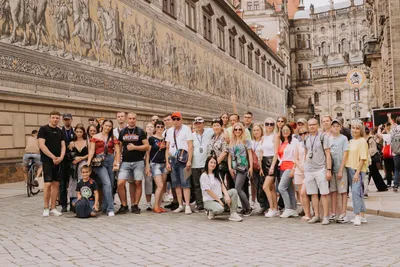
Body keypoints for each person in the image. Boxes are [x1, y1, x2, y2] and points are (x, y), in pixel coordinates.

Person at [116, 112, 148, 214]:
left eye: (134, 118)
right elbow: (119, 148)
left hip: (138, 161)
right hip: (125, 162)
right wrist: (117, 161)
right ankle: (124, 205)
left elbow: (147, 146)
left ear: (136, 119)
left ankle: (135, 205)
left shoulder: (140, 131)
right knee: (120, 183)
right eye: (130, 118)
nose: (132, 120)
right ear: (127, 119)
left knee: (137, 183)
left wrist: (135, 147)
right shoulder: (122, 132)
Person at [87, 120, 120, 217]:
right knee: (107, 183)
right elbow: (92, 150)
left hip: (110, 159)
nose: (108, 127)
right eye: (106, 125)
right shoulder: (95, 137)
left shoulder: (113, 138)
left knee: (111, 184)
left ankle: (105, 206)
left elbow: (117, 151)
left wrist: (116, 163)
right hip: (99, 161)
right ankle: (110, 208)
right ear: (102, 125)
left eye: (110, 126)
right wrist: (88, 163)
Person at [303, 118, 332, 225]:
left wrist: (328, 170)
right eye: (310, 125)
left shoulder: (323, 137)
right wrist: (304, 169)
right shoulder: (306, 138)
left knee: (324, 193)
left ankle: (326, 216)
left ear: (317, 125)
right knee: (313, 194)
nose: (312, 126)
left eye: (314, 124)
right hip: (309, 170)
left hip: (321, 169)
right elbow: (306, 154)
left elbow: (328, 154)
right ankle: (316, 215)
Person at [38, 111, 66, 217]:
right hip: (47, 160)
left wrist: (61, 157)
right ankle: (46, 207)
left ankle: (53, 207)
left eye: (57, 118)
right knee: (48, 184)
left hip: (58, 160)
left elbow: (63, 146)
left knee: (56, 184)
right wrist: (52, 157)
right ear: (50, 118)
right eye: (53, 117)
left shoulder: (60, 131)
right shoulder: (43, 129)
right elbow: (42, 145)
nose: (55, 119)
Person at [165, 112, 194, 214]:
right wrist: (167, 162)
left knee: (185, 183)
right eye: (174, 119)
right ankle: (180, 204)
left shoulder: (186, 129)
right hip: (173, 159)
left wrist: (189, 160)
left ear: (181, 119)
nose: (176, 121)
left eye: (178, 119)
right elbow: (167, 147)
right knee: (176, 183)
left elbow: (190, 146)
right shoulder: (169, 131)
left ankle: (187, 205)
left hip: (183, 159)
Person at [200, 156, 243, 222]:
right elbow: (209, 191)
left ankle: (233, 213)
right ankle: (210, 211)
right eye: (211, 162)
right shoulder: (204, 176)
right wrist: (219, 201)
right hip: (209, 200)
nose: (213, 164)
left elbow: (222, 185)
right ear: (207, 163)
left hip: (220, 197)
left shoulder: (217, 174)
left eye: (214, 163)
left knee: (233, 191)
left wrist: (226, 196)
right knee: (220, 209)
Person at [228, 122, 253, 216]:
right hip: (234, 167)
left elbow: (249, 155)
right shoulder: (232, 141)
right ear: (233, 131)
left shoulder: (246, 141)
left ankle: (248, 207)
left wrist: (250, 167)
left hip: (243, 166)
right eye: (235, 129)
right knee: (240, 188)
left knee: (237, 188)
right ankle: (244, 208)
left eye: (239, 129)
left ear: (242, 130)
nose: (237, 131)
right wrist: (230, 167)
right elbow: (230, 156)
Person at [346, 120, 368, 226]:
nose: (355, 130)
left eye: (357, 128)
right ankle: (362, 215)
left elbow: (363, 158)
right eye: (353, 128)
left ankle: (357, 215)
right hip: (350, 168)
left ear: (361, 130)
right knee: (357, 192)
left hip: (357, 169)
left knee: (355, 193)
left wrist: (357, 172)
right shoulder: (351, 141)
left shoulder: (362, 141)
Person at [275, 124, 299, 218]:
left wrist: (294, 168)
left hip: (290, 166)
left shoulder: (294, 141)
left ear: (290, 131)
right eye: (283, 130)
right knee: (289, 189)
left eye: (287, 130)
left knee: (281, 188)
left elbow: (296, 156)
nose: (285, 132)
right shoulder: (281, 141)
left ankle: (288, 208)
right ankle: (293, 209)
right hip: (282, 166)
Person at [328, 119, 350, 223]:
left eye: (337, 126)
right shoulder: (328, 139)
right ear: (331, 128)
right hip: (331, 169)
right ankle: (333, 212)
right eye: (334, 126)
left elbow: (345, 154)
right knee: (333, 192)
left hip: (341, 169)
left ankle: (343, 213)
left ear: (340, 127)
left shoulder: (343, 138)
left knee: (343, 192)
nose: (335, 128)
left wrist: (341, 169)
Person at [191, 117, 214, 212]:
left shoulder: (209, 131)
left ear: (203, 123)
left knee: (207, 185)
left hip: (206, 163)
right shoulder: (191, 135)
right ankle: (199, 204)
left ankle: (208, 203)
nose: (198, 125)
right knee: (196, 185)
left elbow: (220, 127)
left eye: (200, 123)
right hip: (195, 163)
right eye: (196, 123)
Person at [146, 120, 168, 213]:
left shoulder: (165, 139)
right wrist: (147, 165)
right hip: (155, 164)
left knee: (162, 187)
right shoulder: (151, 139)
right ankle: (155, 206)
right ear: (155, 128)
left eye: (161, 127)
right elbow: (147, 153)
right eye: (158, 127)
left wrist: (167, 163)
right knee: (160, 185)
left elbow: (167, 152)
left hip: (163, 163)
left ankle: (159, 205)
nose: (159, 128)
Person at [67, 124, 89, 212]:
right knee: (73, 183)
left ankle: (84, 202)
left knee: (83, 182)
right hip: (74, 165)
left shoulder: (87, 142)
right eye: (77, 132)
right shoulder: (72, 143)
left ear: (83, 132)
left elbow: (91, 152)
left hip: (84, 164)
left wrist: (82, 158)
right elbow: (69, 154)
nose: (79, 133)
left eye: (80, 131)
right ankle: (73, 203)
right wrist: (74, 158)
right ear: (75, 132)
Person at [250, 124, 270, 214]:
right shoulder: (251, 142)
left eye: (258, 130)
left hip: (263, 166)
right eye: (254, 130)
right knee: (257, 186)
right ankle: (262, 205)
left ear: (261, 131)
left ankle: (268, 205)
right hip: (254, 167)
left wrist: (261, 166)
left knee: (264, 186)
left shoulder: (263, 140)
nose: (256, 132)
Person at [263, 118, 279, 218]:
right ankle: (276, 209)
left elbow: (276, 153)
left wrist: (272, 166)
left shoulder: (276, 136)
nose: (269, 126)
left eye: (271, 124)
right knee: (271, 187)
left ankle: (271, 208)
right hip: (265, 161)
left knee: (265, 187)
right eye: (267, 124)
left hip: (272, 161)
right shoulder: (264, 137)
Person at [294, 126, 311, 221]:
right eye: (301, 134)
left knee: (306, 192)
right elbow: (295, 158)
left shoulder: (311, 144)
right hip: (299, 169)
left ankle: (309, 211)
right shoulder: (299, 144)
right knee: (301, 192)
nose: (303, 135)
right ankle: (305, 211)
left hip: (308, 170)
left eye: (305, 133)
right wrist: (300, 167)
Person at [207, 118, 229, 186]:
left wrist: (215, 163)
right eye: (214, 125)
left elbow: (225, 151)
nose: (216, 127)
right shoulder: (212, 137)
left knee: (219, 184)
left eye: (218, 125)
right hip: (212, 165)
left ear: (221, 126)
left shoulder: (224, 136)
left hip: (220, 164)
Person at [60, 113, 75, 212]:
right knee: (63, 184)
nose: (67, 121)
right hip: (63, 160)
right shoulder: (60, 131)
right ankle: (64, 204)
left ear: (71, 120)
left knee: (73, 182)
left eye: (68, 119)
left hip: (73, 160)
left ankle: (73, 203)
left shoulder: (75, 131)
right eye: (65, 120)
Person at [366, 128, 388, 192]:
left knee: (372, 173)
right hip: (369, 158)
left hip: (371, 158)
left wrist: (367, 154)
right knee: (373, 173)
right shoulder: (367, 138)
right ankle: (382, 187)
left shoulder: (370, 139)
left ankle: (381, 187)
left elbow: (373, 149)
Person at [378, 122, 394, 188]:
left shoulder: (386, 136)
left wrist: (379, 128)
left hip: (387, 154)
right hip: (393, 153)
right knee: (395, 169)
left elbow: (379, 134)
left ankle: (389, 183)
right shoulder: (393, 135)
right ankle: (397, 182)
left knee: (388, 169)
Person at [144, 122, 155, 209]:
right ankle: (148, 202)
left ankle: (157, 201)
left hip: (155, 162)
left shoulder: (156, 138)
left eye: (151, 126)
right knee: (148, 182)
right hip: (145, 163)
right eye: (148, 126)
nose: (150, 128)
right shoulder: (142, 138)